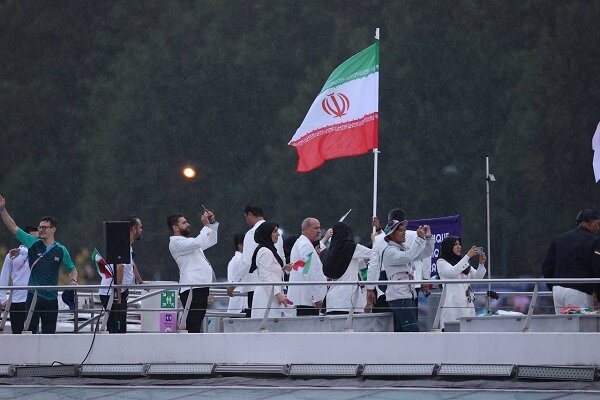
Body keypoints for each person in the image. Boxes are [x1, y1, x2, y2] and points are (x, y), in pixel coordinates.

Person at [0, 195, 78, 334]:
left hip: (51, 298)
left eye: (44, 227)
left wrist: (73, 280)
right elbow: (13, 227)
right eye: (39, 227)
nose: (41, 230)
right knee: (29, 333)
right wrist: (2, 209)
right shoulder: (33, 243)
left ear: (53, 229)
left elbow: (71, 268)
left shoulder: (61, 250)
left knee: (49, 334)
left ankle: (48, 357)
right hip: (33, 296)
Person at [366, 208, 432, 313]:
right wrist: (426, 279)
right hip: (413, 280)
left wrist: (370, 288)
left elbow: (373, 265)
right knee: (410, 316)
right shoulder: (417, 235)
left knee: (391, 317)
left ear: (389, 221)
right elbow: (426, 257)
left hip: (386, 280)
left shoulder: (379, 239)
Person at [228, 204, 286, 317]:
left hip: (257, 285)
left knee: (258, 320)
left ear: (249, 215)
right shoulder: (275, 232)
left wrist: (234, 283)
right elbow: (282, 259)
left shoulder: (251, 233)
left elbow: (246, 262)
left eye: (246, 217)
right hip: (276, 285)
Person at [168, 208, 218, 333]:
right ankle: (188, 349)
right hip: (191, 287)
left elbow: (211, 241)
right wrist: (206, 226)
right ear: (175, 227)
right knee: (192, 323)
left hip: (200, 285)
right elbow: (198, 242)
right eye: (184, 223)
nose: (188, 224)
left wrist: (211, 224)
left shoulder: (188, 242)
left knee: (197, 321)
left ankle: (193, 348)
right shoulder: (175, 243)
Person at [542, 209, 600, 314]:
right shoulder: (595, 241)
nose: (598, 228)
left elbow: (547, 266)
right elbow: (597, 268)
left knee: (563, 328)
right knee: (580, 328)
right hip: (580, 291)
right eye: (597, 224)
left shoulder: (559, 239)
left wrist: (553, 285)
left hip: (558, 290)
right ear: (590, 222)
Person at [381, 219, 434, 332]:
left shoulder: (403, 249)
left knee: (406, 330)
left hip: (407, 295)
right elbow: (410, 256)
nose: (404, 232)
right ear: (391, 234)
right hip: (399, 296)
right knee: (412, 329)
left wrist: (428, 238)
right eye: (400, 230)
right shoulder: (390, 251)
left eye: (404, 229)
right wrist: (419, 238)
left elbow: (426, 253)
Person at [98, 216, 144, 333]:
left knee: (118, 326)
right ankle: (115, 349)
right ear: (133, 229)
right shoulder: (122, 245)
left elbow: (131, 264)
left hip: (117, 292)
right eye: (140, 227)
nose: (141, 230)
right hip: (113, 293)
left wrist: (140, 281)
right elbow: (119, 269)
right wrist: (118, 295)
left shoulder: (127, 245)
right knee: (117, 328)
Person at [437, 236, 487, 330]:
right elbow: (452, 272)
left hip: (467, 305)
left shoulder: (463, 263)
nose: (459, 246)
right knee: (453, 336)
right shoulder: (441, 262)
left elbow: (477, 277)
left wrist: (481, 264)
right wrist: (467, 256)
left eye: (459, 244)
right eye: (455, 244)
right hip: (453, 306)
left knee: (469, 336)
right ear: (448, 247)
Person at [322, 222, 371, 314]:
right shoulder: (352, 247)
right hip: (349, 301)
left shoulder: (330, 252)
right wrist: (376, 240)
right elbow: (375, 254)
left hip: (332, 302)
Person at [0, 226, 39, 334]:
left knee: (32, 334)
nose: (35, 241)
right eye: (32, 238)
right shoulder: (12, 255)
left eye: (37, 239)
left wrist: (21, 250)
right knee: (17, 334)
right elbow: (4, 275)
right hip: (16, 301)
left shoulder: (38, 254)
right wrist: (2, 298)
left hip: (32, 300)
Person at [250, 221, 291, 318]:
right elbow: (265, 276)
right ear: (267, 233)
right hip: (267, 297)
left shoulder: (269, 249)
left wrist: (283, 268)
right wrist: (277, 294)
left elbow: (270, 271)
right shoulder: (265, 251)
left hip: (271, 295)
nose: (277, 234)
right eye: (274, 231)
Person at [288, 218, 328, 316]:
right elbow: (309, 271)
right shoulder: (305, 245)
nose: (319, 231)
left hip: (305, 298)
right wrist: (317, 297)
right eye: (315, 228)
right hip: (307, 299)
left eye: (319, 228)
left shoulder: (303, 243)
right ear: (305, 229)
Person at [226, 233, 248, 314]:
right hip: (240, 302)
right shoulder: (240, 260)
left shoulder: (235, 260)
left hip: (238, 301)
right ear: (240, 246)